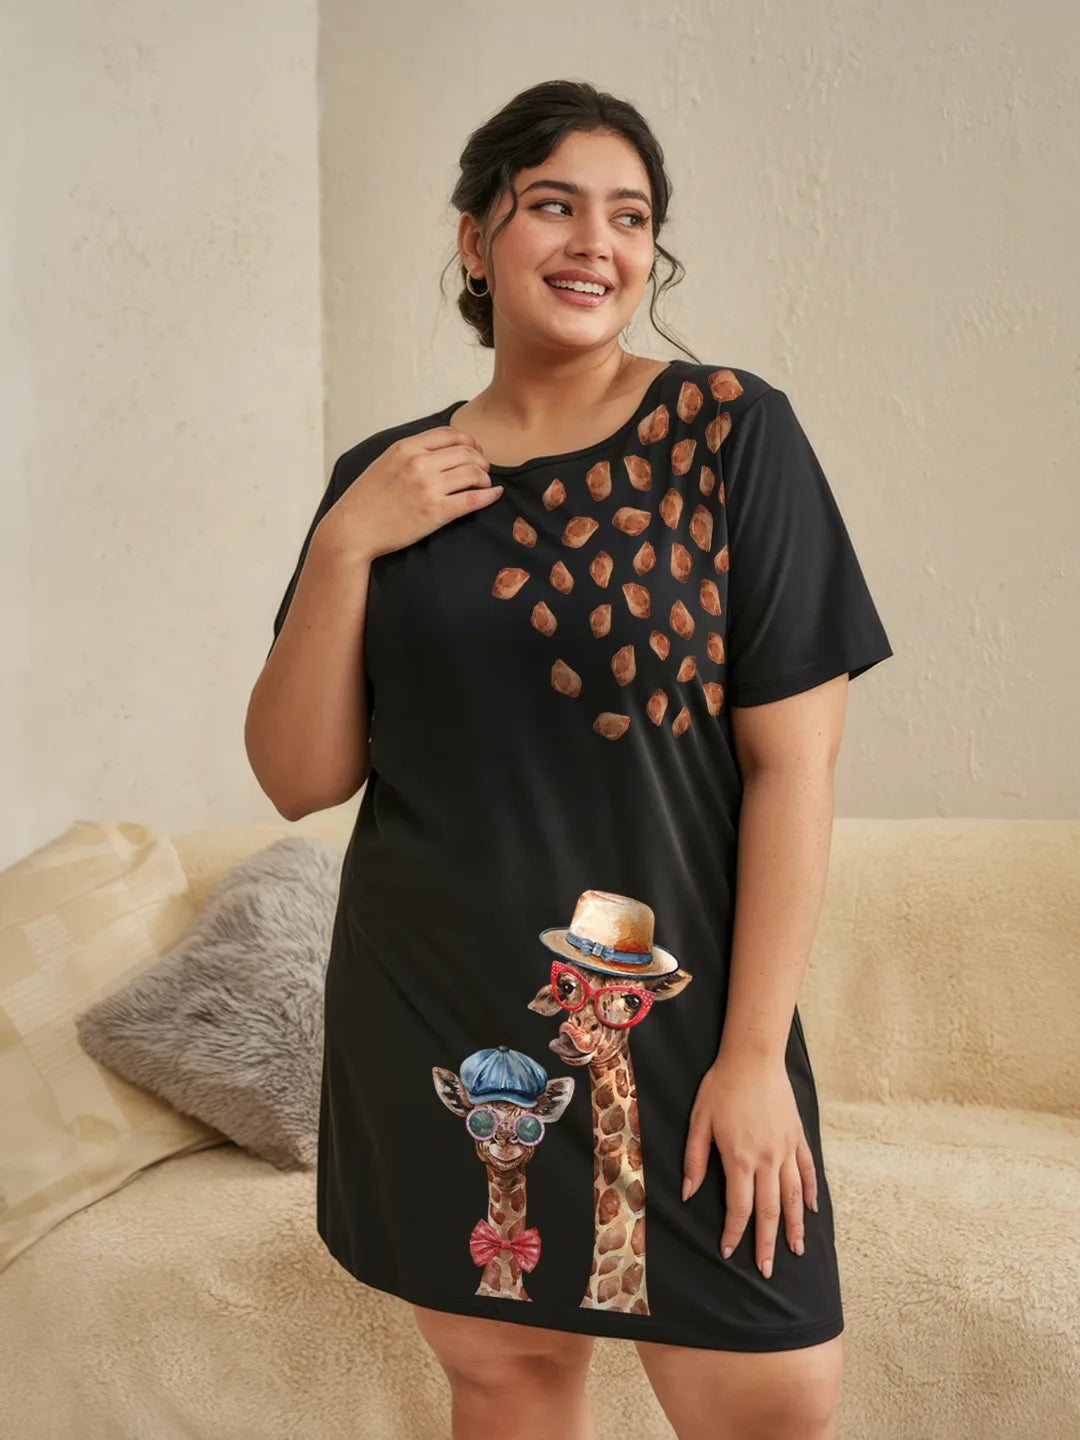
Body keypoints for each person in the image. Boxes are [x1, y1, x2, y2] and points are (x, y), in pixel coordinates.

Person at [245, 78, 893, 1440]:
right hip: (433, 1004)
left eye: (630, 215)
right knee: (505, 1378)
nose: (597, 241)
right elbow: (299, 775)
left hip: (680, 1013)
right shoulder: (387, 476)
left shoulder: (732, 431)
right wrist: (347, 541)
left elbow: (795, 769)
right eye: (554, 204)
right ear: (476, 240)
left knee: (773, 1404)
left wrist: (753, 1057)